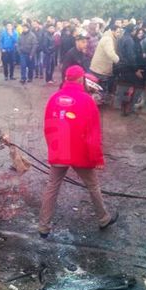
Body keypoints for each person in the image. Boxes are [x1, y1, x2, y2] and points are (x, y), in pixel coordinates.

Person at [39, 65, 118, 238]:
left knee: (52, 186)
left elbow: (48, 127)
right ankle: (103, 218)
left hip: (60, 150)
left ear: (66, 79)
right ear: (82, 79)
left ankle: (43, 226)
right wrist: (97, 159)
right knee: (93, 185)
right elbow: (94, 135)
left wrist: (54, 149)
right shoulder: (87, 101)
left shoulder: (54, 98)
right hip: (80, 153)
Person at [89, 24, 121, 96]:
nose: (119, 34)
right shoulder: (108, 39)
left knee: (98, 88)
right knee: (101, 89)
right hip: (101, 69)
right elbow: (111, 53)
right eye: (118, 32)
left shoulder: (109, 37)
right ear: (112, 31)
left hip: (99, 67)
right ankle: (100, 102)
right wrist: (119, 61)